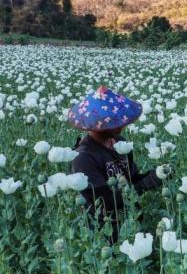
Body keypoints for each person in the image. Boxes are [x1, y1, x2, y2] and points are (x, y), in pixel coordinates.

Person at [68, 86, 167, 242]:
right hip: (104, 232)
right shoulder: (83, 158)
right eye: (116, 120)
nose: (122, 123)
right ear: (97, 123)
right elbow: (105, 201)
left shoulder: (121, 143)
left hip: (132, 221)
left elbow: (131, 179)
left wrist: (156, 175)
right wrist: (146, 184)